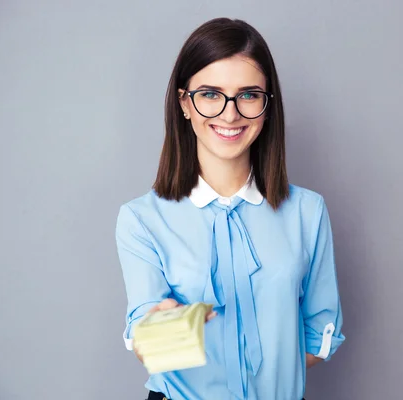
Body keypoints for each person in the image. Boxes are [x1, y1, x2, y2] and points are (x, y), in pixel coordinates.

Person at [116, 17, 345, 400]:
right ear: (184, 103)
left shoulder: (308, 211)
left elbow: (319, 333)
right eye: (210, 94)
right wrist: (163, 332)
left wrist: (266, 379)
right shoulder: (141, 219)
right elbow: (147, 340)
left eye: (249, 95)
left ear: (268, 107)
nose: (229, 113)